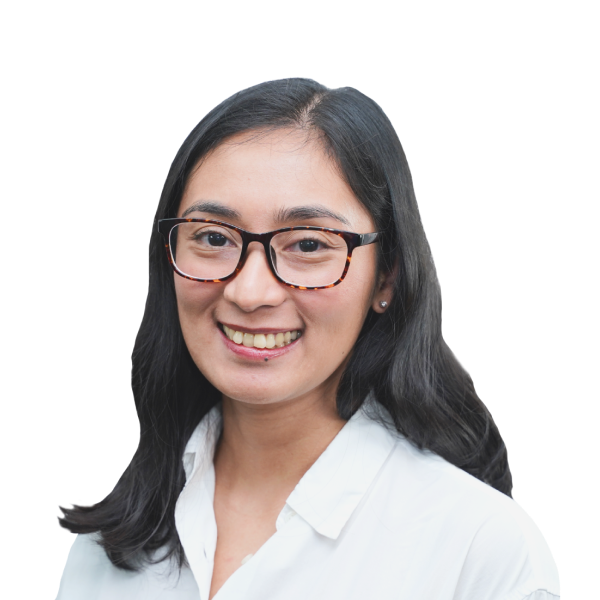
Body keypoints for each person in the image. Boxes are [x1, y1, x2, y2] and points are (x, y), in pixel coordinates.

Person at [55, 77, 561, 599]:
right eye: (211, 237)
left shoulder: (479, 551)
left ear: (385, 276)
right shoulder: (105, 548)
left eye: (308, 244)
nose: (249, 291)